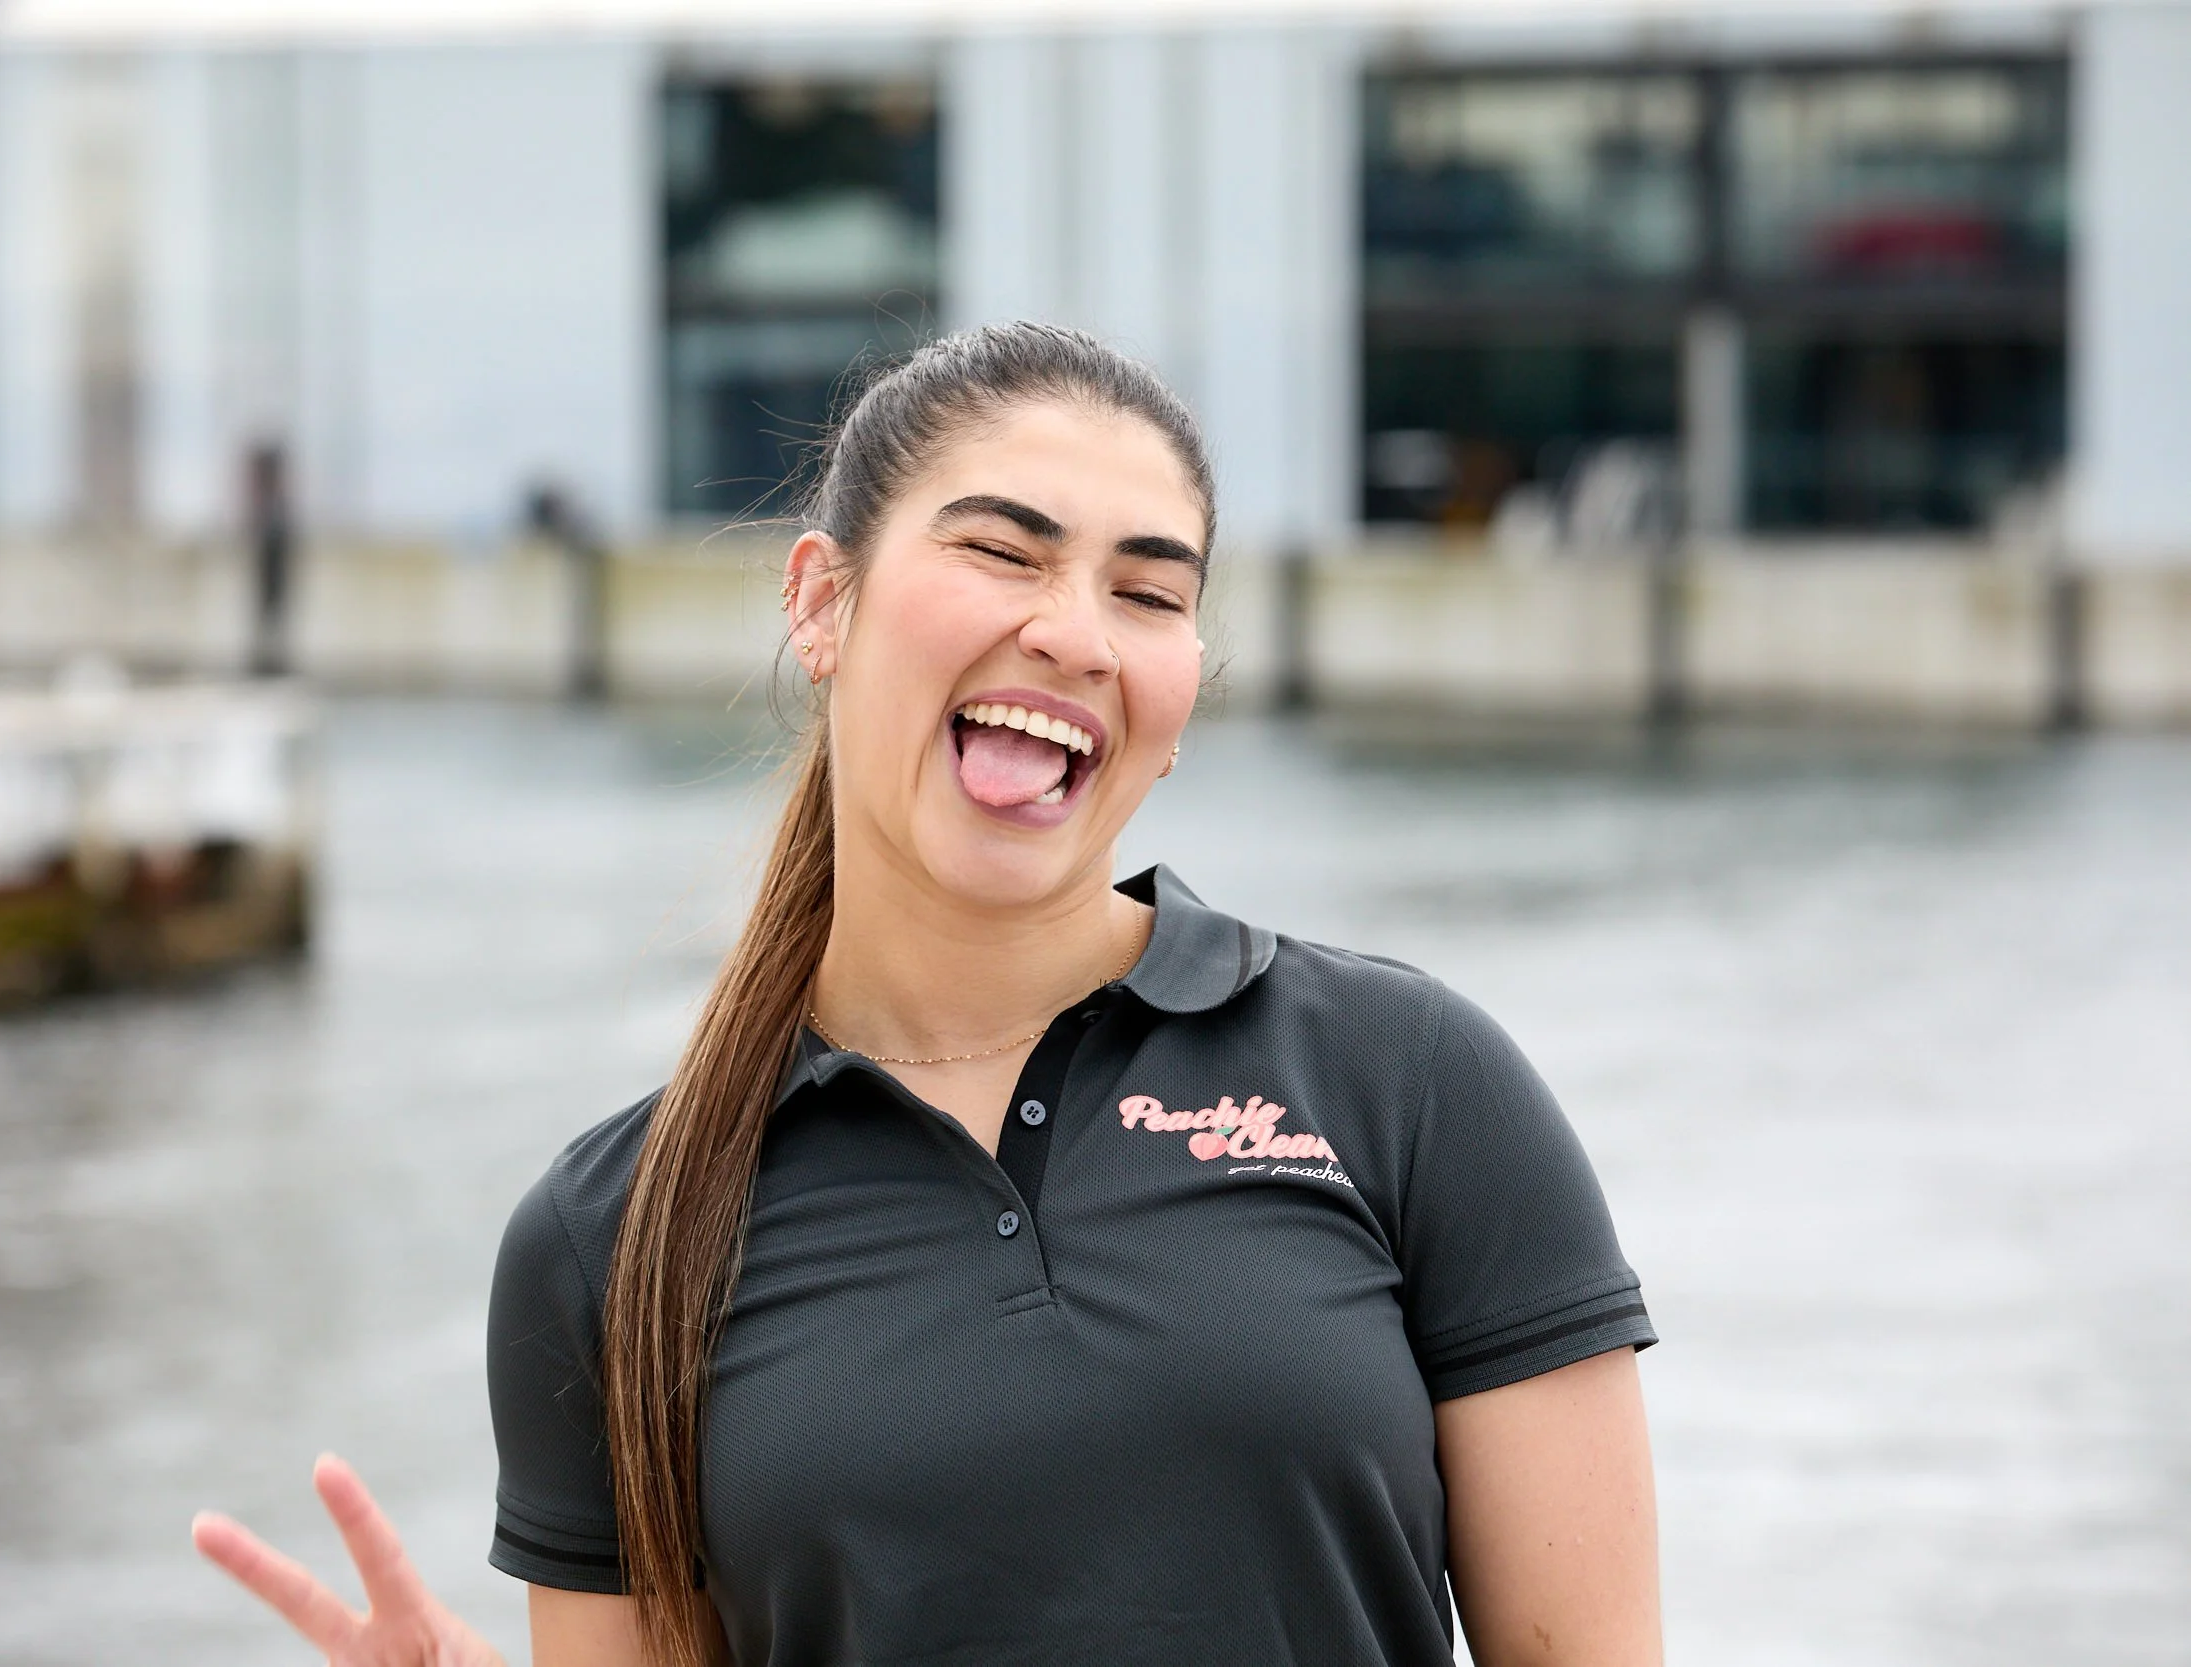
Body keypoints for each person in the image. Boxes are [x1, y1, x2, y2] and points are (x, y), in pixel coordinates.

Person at [191, 323, 1662, 1667]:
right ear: (820, 601)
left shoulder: (1410, 1084)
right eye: (1006, 553)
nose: (1077, 633)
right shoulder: (609, 1241)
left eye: (1148, 592)